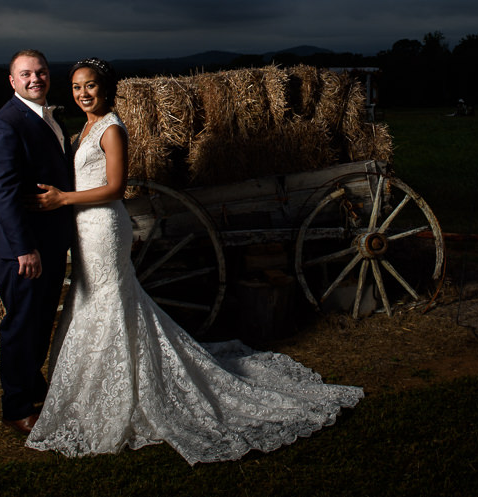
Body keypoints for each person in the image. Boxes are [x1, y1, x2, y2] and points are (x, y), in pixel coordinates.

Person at [25, 57, 363, 465]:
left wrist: (63, 199)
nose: (83, 93)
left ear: (106, 88)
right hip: (84, 230)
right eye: (77, 86)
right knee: (90, 299)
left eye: (90, 85)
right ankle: (84, 389)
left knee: (110, 301)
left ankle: (126, 387)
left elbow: (115, 188)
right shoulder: (85, 129)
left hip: (103, 226)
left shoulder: (112, 128)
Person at [0, 49, 76, 434]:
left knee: (38, 323)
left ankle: (33, 387)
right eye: (26, 74)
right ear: (12, 81)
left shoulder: (45, 117)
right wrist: (24, 248)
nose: (35, 78)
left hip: (49, 241)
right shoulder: (4, 125)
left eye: (41, 72)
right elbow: (2, 192)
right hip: (23, 249)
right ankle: (16, 408)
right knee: (21, 326)